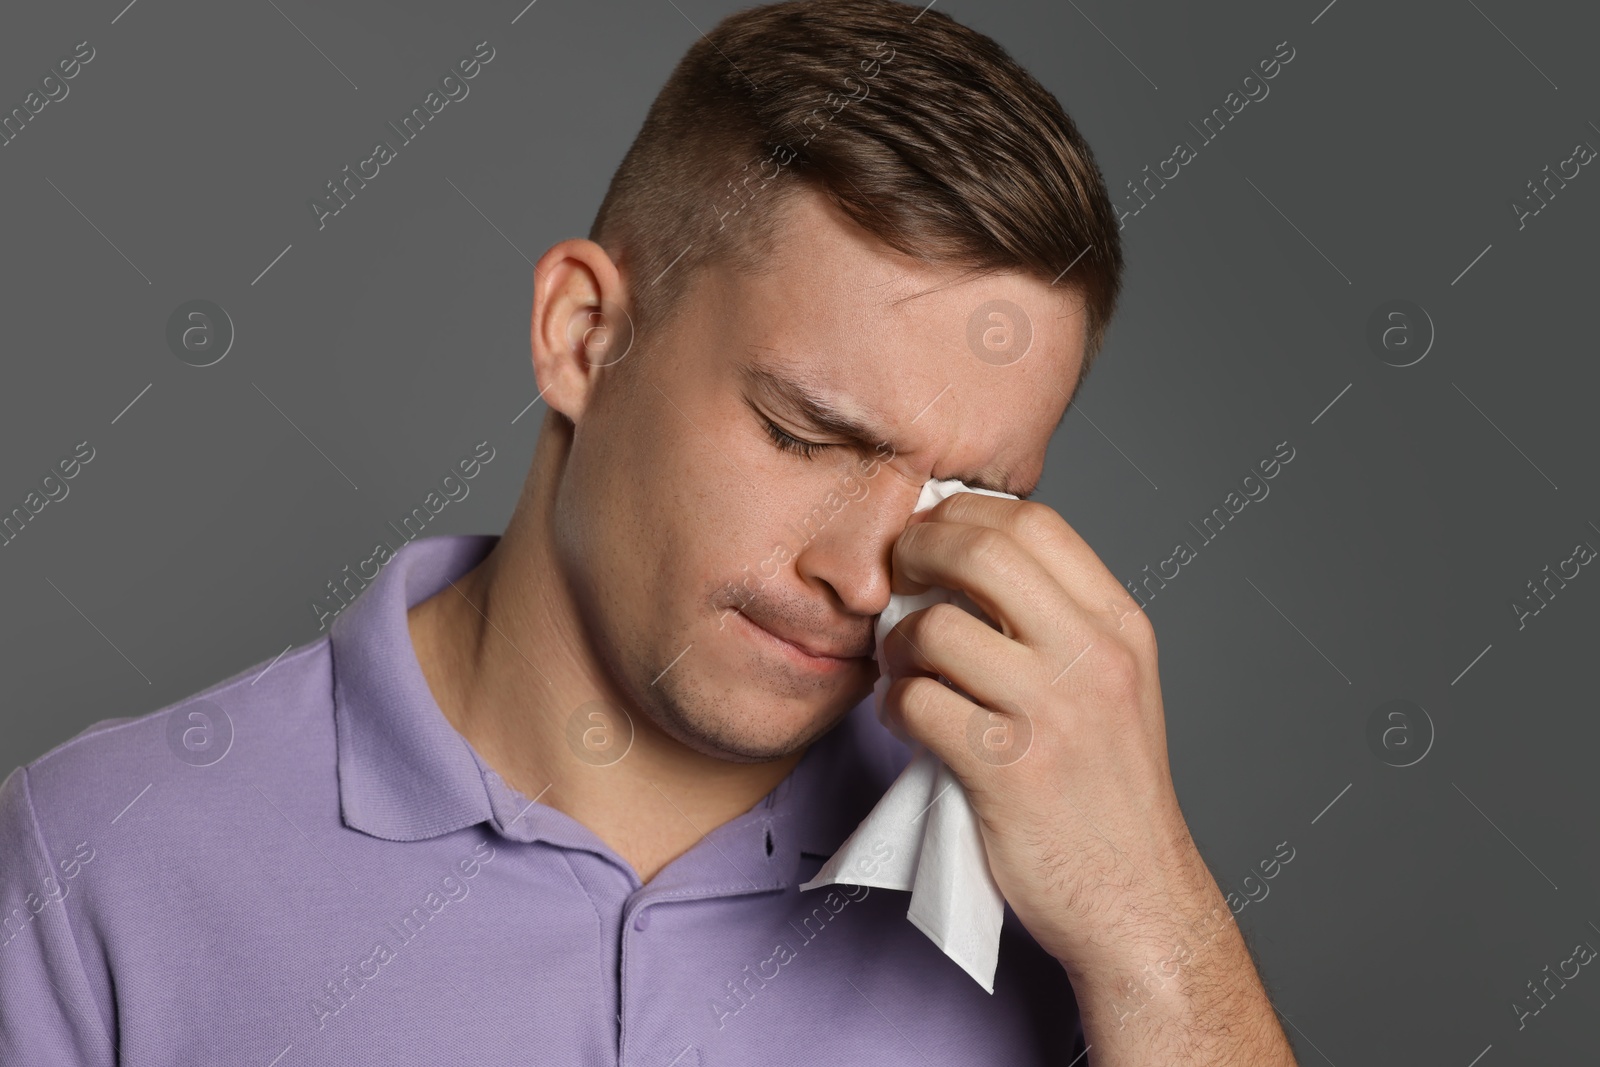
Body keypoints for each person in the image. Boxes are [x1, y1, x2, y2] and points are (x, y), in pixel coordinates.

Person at [0, 1, 1296, 1062]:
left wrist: (1154, 924)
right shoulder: (95, 866)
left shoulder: (1059, 903)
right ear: (583, 336)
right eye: (806, 435)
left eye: (969, 500)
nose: (859, 577)